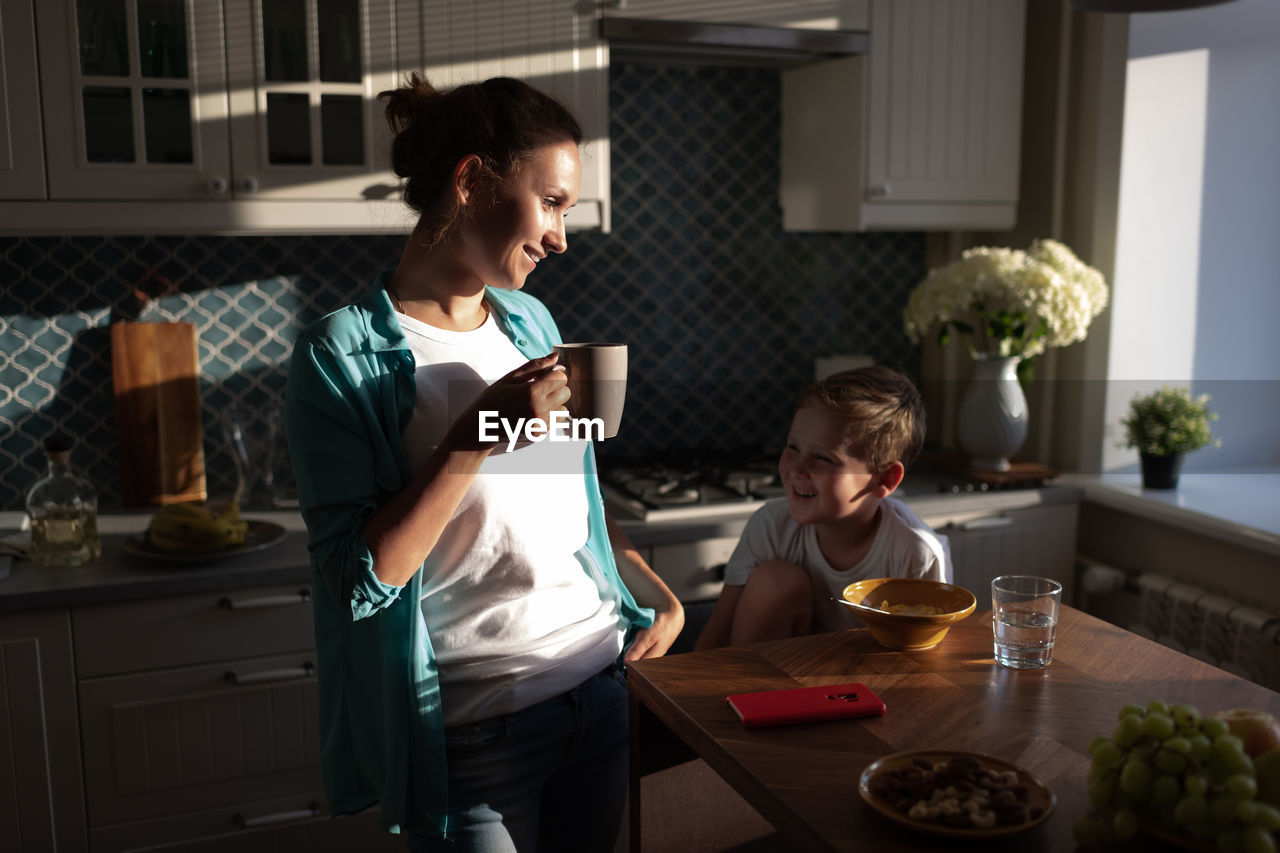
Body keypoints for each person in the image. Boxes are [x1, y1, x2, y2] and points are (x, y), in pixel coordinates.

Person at [284, 74, 683, 852]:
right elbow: (357, 579)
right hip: (475, 730)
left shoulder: (529, 317)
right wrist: (473, 437)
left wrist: (659, 597)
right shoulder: (341, 354)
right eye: (553, 202)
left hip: (598, 689)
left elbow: (575, 509)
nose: (562, 236)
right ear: (470, 181)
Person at [695, 366, 947, 650]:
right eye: (792, 447)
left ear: (884, 479)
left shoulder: (916, 552)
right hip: (769, 680)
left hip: (867, 685)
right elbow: (716, 635)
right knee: (775, 581)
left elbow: (921, 662)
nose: (797, 469)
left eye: (822, 459)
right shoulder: (770, 526)